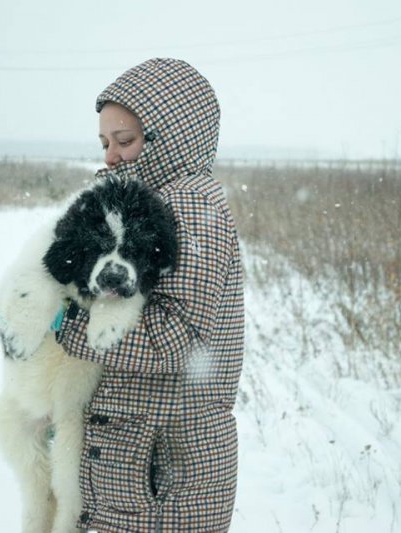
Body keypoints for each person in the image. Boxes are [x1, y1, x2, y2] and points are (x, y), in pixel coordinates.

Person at [54, 58, 245, 532]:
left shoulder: (191, 207)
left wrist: (69, 326)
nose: (111, 157)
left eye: (125, 141)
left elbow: (173, 338)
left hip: (164, 475)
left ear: (171, 137)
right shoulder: (145, 204)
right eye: (105, 143)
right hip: (136, 462)